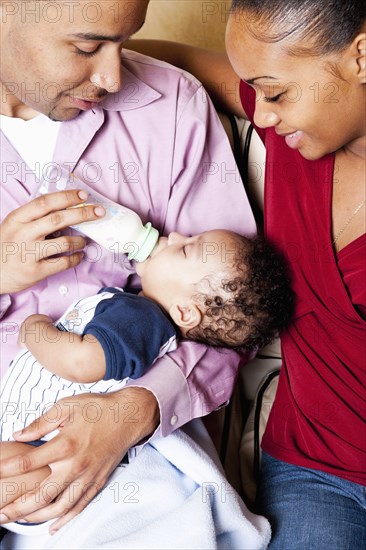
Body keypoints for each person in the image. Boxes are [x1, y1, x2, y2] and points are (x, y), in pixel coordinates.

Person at [0, 0, 260, 536]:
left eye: (125, 40)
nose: (113, 75)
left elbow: (229, 311)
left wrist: (133, 410)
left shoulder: (170, 108)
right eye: (87, 45)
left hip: (123, 439)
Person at [126, 0, 366, 548]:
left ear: (361, 58)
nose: (261, 116)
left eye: (276, 93)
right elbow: (169, 61)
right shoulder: (294, 138)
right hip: (314, 469)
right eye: (256, 91)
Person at [0, 226, 293, 535]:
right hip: (37, 450)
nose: (177, 235)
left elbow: (81, 361)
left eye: (185, 249)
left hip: (46, 453)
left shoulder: (140, 318)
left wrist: (35, 330)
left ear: (184, 311)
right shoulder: (136, 314)